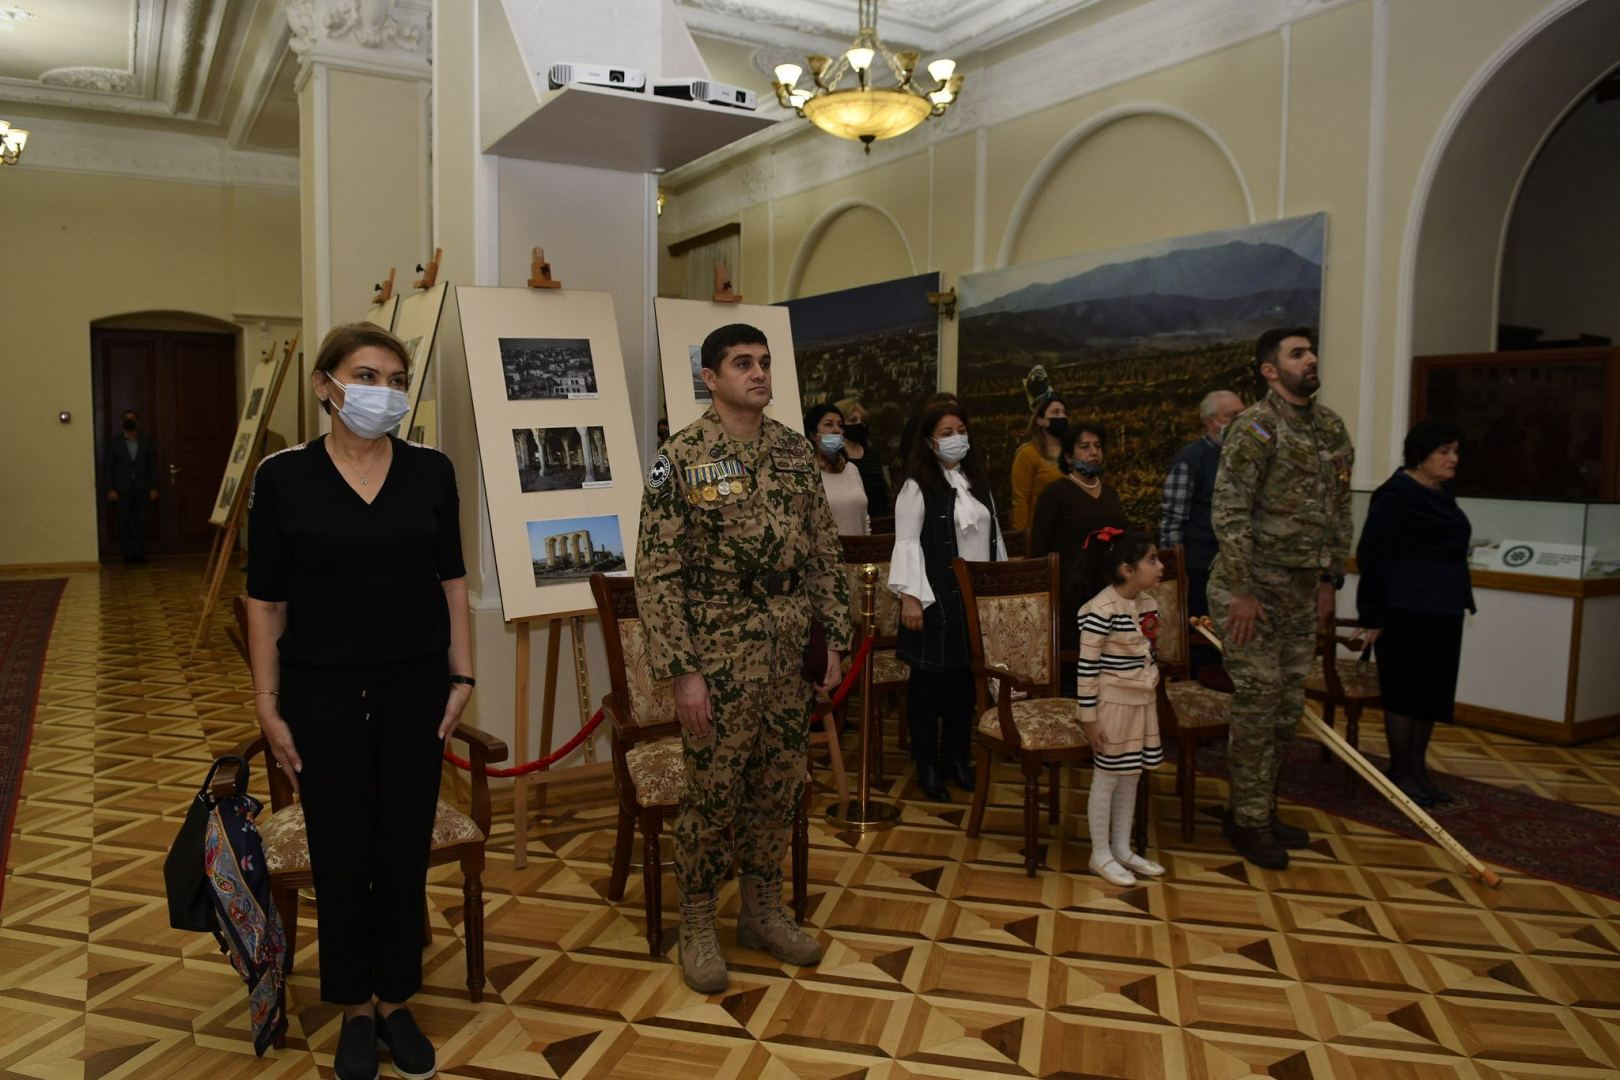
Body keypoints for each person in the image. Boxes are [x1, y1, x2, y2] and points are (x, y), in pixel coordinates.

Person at [245, 324, 471, 1080]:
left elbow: (452, 584)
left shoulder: (432, 472)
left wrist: (462, 678)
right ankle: (351, 1009)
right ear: (324, 385)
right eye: (367, 373)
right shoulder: (284, 480)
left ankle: (397, 1000)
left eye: (397, 378)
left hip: (414, 690)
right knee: (340, 854)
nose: (384, 391)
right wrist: (267, 702)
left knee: (402, 850)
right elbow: (266, 600)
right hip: (321, 693)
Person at [635, 323, 850, 995]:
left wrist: (835, 638)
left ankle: (762, 910)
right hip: (719, 657)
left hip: (788, 653)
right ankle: (697, 923)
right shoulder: (682, 457)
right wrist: (684, 671)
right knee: (710, 796)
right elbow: (658, 574)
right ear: (711, 376)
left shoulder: (792, 451)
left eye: (763, 361)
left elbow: (823, 550)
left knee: (779, 788)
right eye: (742, 363)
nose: (758, 372)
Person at [1208, 327, 1353, 870]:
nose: (1310, 359)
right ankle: (1247, 821)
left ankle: (1259, 808)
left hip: (1299, 591)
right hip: (1250, 590)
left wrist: (1329, 580)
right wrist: (1241, 589)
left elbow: (1340, 507)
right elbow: (1230, 511)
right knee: (1259, 698)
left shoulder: (1329, 428)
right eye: (1297, 354)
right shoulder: (1255, 428)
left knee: (1288, 708)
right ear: (1270, 370)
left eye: (1311, 350)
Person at [891, 400, 1007, 802]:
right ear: (929, 441)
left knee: (963, 685)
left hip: (976, 602)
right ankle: (926, 763)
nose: (957, 438)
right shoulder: (916, 486)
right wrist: (911, 599)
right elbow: (907, 544)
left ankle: (957, 758)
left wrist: (1001, 590)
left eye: (961, 430)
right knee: (927, 687)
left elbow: (996, 541)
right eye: (946, 433)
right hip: (933, 597)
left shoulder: (980, 483)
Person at [1355, 420, 1474, 807]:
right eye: (1444, 452)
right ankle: (1401, 772)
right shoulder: (1395, 494)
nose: (1453, 459)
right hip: (1404, 607)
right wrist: (1371, 615)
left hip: (1444, 606)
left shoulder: (1443, 491)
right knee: (1405, 694)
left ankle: (1419, 770)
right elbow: (1373, 556)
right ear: (1420, 455)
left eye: (1455, 451)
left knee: (1432, 694)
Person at [1074, 528, 1167, 886]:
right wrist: (1090, 719)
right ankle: (1100, 854)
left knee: (1133, 774)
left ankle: (1122, 847)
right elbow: (1086, 668)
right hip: (1113, 705)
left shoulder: (1148, 603)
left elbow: (1147, 650)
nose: (1160, 566)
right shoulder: (1101, 609)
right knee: (1109, 776)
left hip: (1142, 703)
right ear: (1127, 569)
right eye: (1152, 560)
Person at [1028, 421, 1127, 678]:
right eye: (1085, 447)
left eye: (1097, 446)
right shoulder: (1055, 494)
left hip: (1111, 590)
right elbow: (1039, 547)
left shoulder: (1111, 494)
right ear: (1069, 456)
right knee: (1080, 670)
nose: (1094, 452)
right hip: (1071, 594)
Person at [1160, 390, 1245, 679]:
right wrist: (1175, 570)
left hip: (1238, 567)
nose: (1240, 422)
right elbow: (1172, 518)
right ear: (1211, 422)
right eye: (1232, 417)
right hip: (1200, 566)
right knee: (1204, 640)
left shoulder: (1248, 457)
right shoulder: (1191, 458)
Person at [804, 403, 869, 535]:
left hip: (860, 551)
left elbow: (865, 518)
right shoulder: (806, 473)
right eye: (828, 424)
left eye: (840, 425)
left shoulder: (851, 469)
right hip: (826, 553)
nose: (836, 430)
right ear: (813, 435)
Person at [104, 409, 159, 562]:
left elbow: (152, 466)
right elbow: (108, 468)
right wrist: (111, 489)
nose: (129, 421)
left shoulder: (147, 442)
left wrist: (154, 487)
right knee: (123, 522)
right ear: (122, 423)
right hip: (121, 489)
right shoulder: (114, 443)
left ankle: (139, 554)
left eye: (132, 419)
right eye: (126, 419)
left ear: (138, 423)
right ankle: (126, 555)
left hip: (142, 488)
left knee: (141, 522)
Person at [1010, 392, 1068, 531]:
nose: (1061, 416)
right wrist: (1022, 535)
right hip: (1041, 531)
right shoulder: (1028, 454)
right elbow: (1021, 498)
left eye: (1064, 412)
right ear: (1041, 421)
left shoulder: (1072, 451)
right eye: (1055, 412)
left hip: (1070, 529)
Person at [836, 396, 889, 516]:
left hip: (877, 524)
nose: (860, 424)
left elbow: (882, 495)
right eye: (853, 420)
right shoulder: (834, 459)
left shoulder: (872, 456)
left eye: (862, 421)